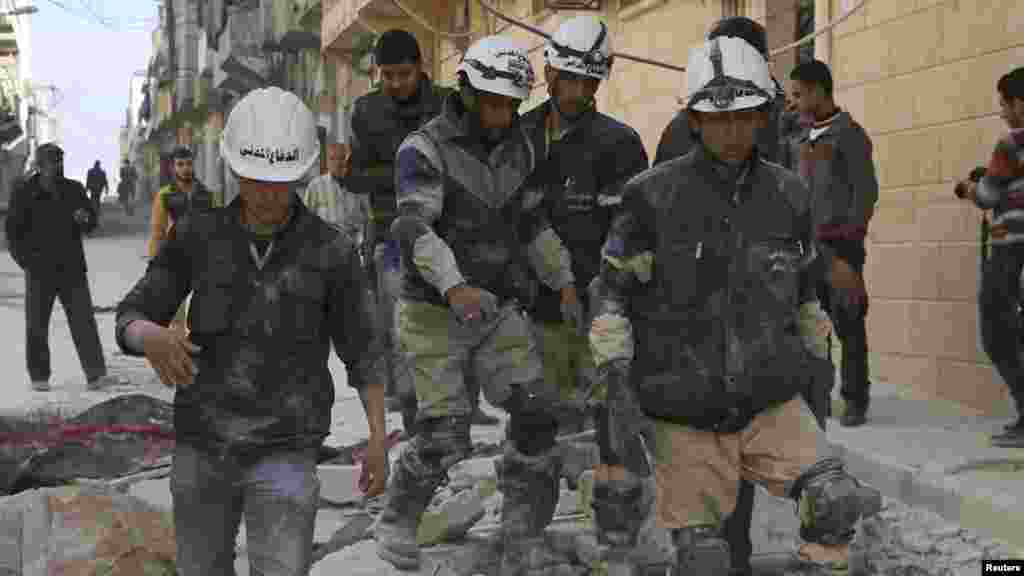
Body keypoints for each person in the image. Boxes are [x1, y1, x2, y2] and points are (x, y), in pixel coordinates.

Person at [587, 36, 881, 575]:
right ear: (694, 119)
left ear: (764, 116)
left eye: (745, 116)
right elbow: (612, 294)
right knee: (704, 558)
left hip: (769, 399)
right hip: (683, 407)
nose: (731, 131)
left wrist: (820, 373)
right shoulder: (650, 197)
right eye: (716, 118)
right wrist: (614, 379)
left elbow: (804, 296)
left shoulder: (790, 194)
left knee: (835, 497)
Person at [114, 86, 389, 575]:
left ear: (303, 173)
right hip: (203, 447)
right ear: (236, 170)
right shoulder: (198, 235)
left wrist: (376, 436)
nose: (268, 194)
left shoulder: (332, 252)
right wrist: (150, 336)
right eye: (256, 179)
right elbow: (131, 314)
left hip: (287, 450)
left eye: (280, 182)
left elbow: (363, 350)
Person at [374, 35, 580, 573]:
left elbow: (533, 222)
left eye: (511, 104)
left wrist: (563, 282)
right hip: (432, 312)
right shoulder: (424, 149)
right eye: (491, 101)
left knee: (536, 414)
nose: (500, 114)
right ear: (464, 91)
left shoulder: (524, 148)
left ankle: (522, 534)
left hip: (497, 307)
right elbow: (414, 227)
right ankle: (397, 517)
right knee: (444, 435)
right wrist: (454, 286)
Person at [647, 18, 834, 574]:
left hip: (769, 312)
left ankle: (739, 552)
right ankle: (728, 554)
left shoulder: (777, 120)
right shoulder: (696, 133)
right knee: (721, 448)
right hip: (711, 320)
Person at [347, 29, 492, 430]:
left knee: (464, 313)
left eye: (403, 75)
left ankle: (467, 402)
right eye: (387, 75)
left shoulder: (450, 104)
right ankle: (414, 411)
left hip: (451, 232)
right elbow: (357, 176)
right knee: (403, 327)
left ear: (420, 69)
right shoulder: (365, 112)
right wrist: (404, 174)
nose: (395, 84)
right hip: (393, 237)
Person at [520, 14, 649, 437]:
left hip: (601, 307)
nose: (578, 92)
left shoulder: (620, 144)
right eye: (570, 79)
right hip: (536, 307)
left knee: (603, 423)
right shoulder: (519, 137)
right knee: (541, 421)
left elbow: (630, 231)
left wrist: (604, 292)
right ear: (549, 72)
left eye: (589, 83)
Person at [788, 59, 879, 427]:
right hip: (806, 250)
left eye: (797, 95)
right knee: (813, 326)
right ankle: (818, 398)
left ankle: (855, 399)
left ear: (818, 91)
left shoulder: (849, 135)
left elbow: (865, 194)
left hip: (841, 250)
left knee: (849, 323)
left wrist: (847, 248)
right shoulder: (795, 137)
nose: (792, 102)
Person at [6, 143, 118, 392]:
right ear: (39, 165)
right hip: (39, 269)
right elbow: (13, 233)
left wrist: (85, 219)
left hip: (71, 268)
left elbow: (91, 223)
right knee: (36, 324)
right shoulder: (24, 192)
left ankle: (95, 375)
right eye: (51, 162)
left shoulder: (74, 189)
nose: (56, 167)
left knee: (83, 322)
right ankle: (39, 376)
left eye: (59, 162)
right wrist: (26, 263)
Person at [955, 66, 1024, 447]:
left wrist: (968, 187)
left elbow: (988, 196)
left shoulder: (1011, 143)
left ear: (1019, 103)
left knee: (997, 331)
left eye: (1004, 103)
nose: (1002, 112)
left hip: (1011, 248)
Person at [147, 146, 219, 259]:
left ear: (193, 165)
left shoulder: (207, 194)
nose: (185, 168)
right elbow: (158, 232)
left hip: (203, 254)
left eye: (189, 163)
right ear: (173, 168)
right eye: (180, 164)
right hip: (175, 254)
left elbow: (217, 228)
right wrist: (153, 259)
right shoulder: (164, 195)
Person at [303, 142, 368, 245]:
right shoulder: (315, 186)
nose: (337, 163)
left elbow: (368, 219)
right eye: (333, 159)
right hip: (325, 244)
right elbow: (305, 222)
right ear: (327, 162)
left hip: (354, 243)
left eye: (342, 158)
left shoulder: (360, 185)